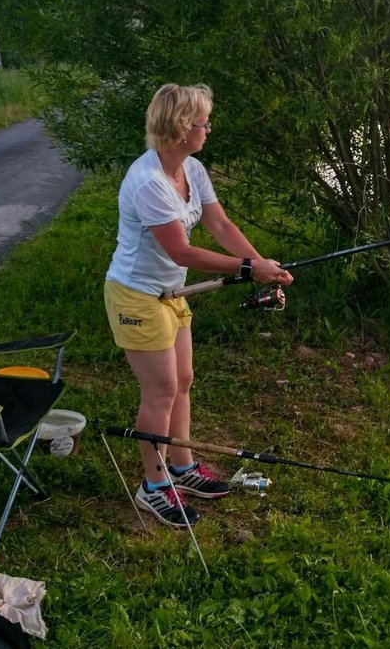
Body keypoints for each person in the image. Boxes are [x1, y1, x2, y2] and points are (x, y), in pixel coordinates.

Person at [104, 83, 293, 527]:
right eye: (203, 121)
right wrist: (250, 270)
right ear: (181, 127)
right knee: (162, 389)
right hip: (136, 294)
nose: (208, 128)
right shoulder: (148, 182)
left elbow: (220, 223)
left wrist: (259, 263)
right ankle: (153, 487)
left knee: (183, 380)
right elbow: (182, 253)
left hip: (172, 293)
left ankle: (182, 466)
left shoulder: (192, 168)